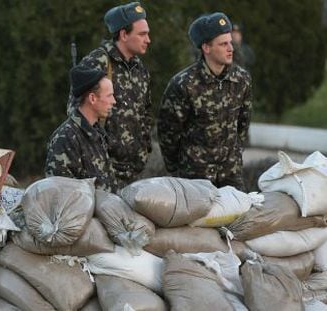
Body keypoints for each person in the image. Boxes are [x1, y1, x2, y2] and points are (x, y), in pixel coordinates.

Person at [157, 12, 253, 190]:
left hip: (231, 174)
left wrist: (234, 154)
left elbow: (243, 123)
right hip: (194, 177)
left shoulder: (241, 79)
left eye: (230, 42)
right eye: (223, 44)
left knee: (240, 217)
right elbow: (168, 133)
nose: (230, 48)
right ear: (206, 48)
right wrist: (177, 169)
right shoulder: (183, 84)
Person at [67, 2, 153, 188]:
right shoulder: (98, 62)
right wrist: (96, 156)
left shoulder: (140, 69)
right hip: (103, 171)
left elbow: (145, 113)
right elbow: (76, 113)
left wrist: (144, 151)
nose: (148, 39)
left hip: (133, 171)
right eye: (142, 34)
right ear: (123, 34)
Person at [45, 65, 118, 193]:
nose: (114, 101)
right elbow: (60, 193)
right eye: (109, 95)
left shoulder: (98, 133)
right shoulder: (66, 138)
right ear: (92, 99)